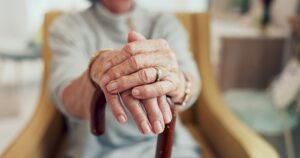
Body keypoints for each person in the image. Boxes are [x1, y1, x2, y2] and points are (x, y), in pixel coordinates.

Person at [49, 0, 202, 157]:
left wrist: (173, 82)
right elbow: (65, 98)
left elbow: (192, 84)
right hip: (97, 150)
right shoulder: (68, 26)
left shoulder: (164, 22)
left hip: (169, 148)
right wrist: (98, 68)